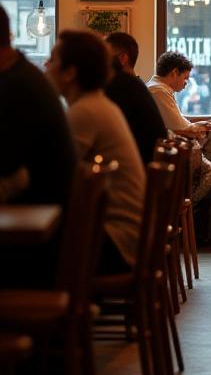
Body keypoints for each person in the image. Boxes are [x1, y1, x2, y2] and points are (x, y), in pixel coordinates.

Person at [45, 30, 145, 275]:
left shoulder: (85, 112)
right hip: (129, 238)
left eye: (52, 59)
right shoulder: (98, 105)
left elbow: (52, 177)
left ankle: (69, 308)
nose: (46, 65)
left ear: (70, 73)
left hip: (116, 244)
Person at [0, 4, 76, 286]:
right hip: (50, 233)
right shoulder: (20, 78)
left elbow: (7, 166)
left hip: (39, 252)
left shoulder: (18, 88)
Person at [148, 50, 211, 243]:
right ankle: (184, 213)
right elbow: (180, 126)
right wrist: (201, 127)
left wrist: (197, 127)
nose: (186, 83)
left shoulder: (160, 89)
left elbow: (179, 123)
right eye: (185, 78)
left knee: (210, 172)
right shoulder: (158, 91)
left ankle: (186, 216)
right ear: (174, 73)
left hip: (170, 156)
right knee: (210, 173)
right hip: (169, 159)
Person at [105, 32, 167, 164]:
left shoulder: (122, 86)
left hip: (137, 171)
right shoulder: (135, 85)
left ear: (122, 58)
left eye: (104, 56)